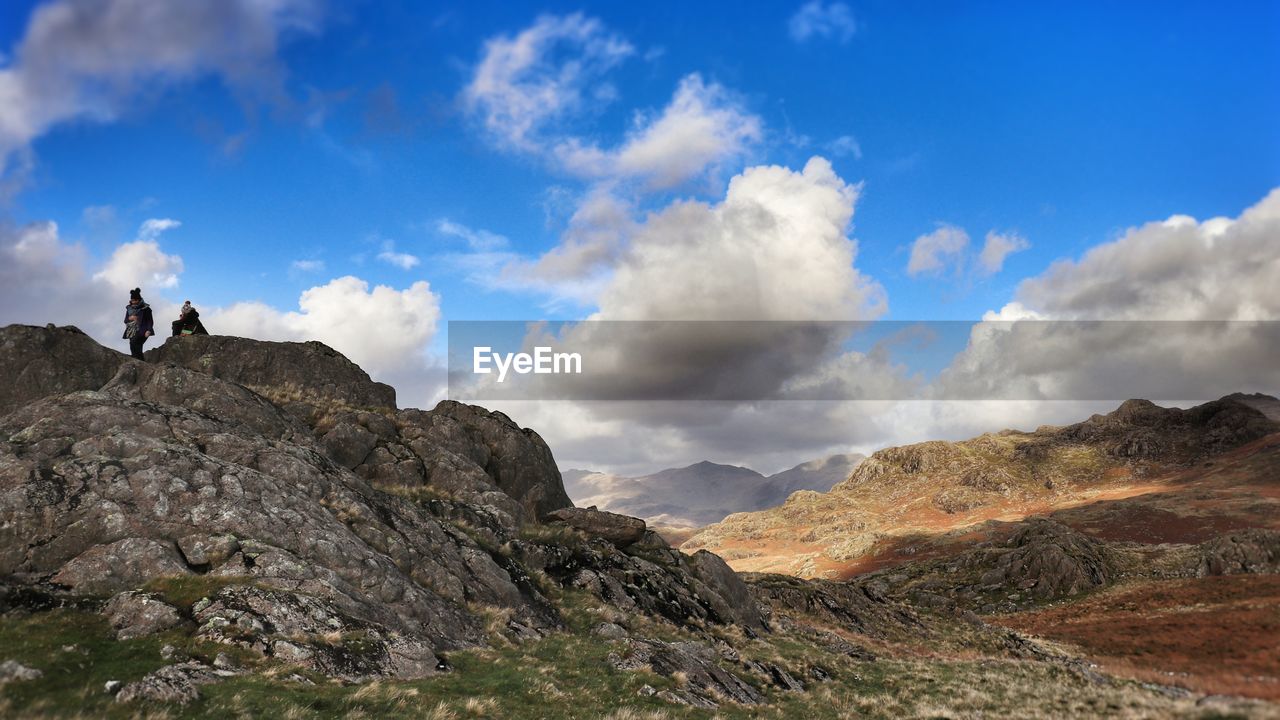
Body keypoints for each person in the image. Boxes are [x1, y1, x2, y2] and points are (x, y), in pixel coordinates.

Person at [122, 288, 154, 360]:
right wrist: (131, 318)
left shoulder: (146, 308)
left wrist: (148, 330)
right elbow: (125, 320)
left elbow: (150, 320)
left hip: (143, 330)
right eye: (132, 300)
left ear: (138, 300)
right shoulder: (129, 308)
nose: (133, 302)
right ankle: (138, 360)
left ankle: (139, 361)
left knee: (135, 342)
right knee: (134, 345)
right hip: (131, 330)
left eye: (135, 300)